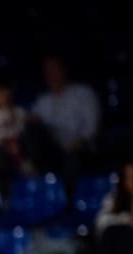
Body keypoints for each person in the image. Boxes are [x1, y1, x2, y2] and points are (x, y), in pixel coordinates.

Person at [22, 55, 99, 188]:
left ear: (63, 69)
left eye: (54, 69)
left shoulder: (83, 93)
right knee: (30, 130)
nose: (51, 74)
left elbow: (91, 127)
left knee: (73, 159)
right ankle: (38, 189)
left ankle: (68, 203)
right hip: (53, 152)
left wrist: (78, 143)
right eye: (47, 70)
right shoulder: (43, 100)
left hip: (79, 149)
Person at [95, 161, 133, 254]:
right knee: (112, 230)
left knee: (128, 232)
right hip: (114, 247)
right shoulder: (113, 200)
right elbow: (100, 222)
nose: (132, 181)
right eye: (128, 177)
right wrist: (126, 219)